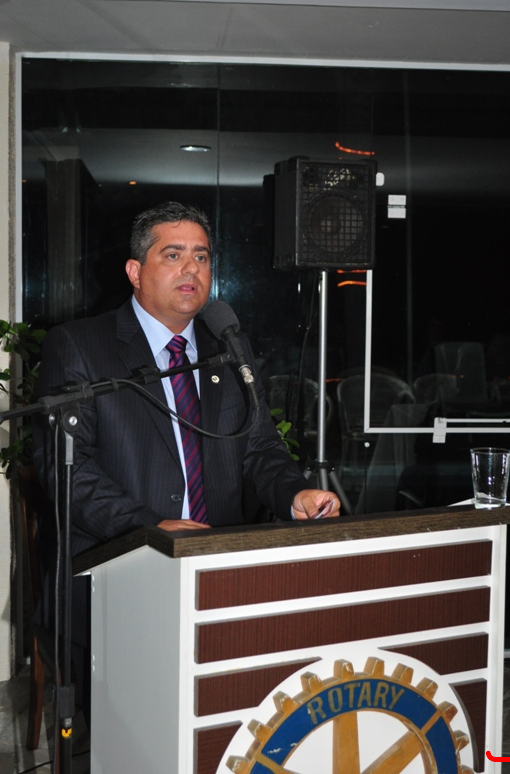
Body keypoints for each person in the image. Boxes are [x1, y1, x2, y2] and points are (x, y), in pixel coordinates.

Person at [32, 201, 340, 716]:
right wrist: (150, 529)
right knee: (131, 732)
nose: (191, 269)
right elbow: (67, 469)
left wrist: (295, 493)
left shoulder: (228, 348)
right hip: (118, 573)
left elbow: (260, 447)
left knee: (222, 721)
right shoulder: (81, 346)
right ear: (135, 271)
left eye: (202, 256)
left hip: (219, 577)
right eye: (173, 255)